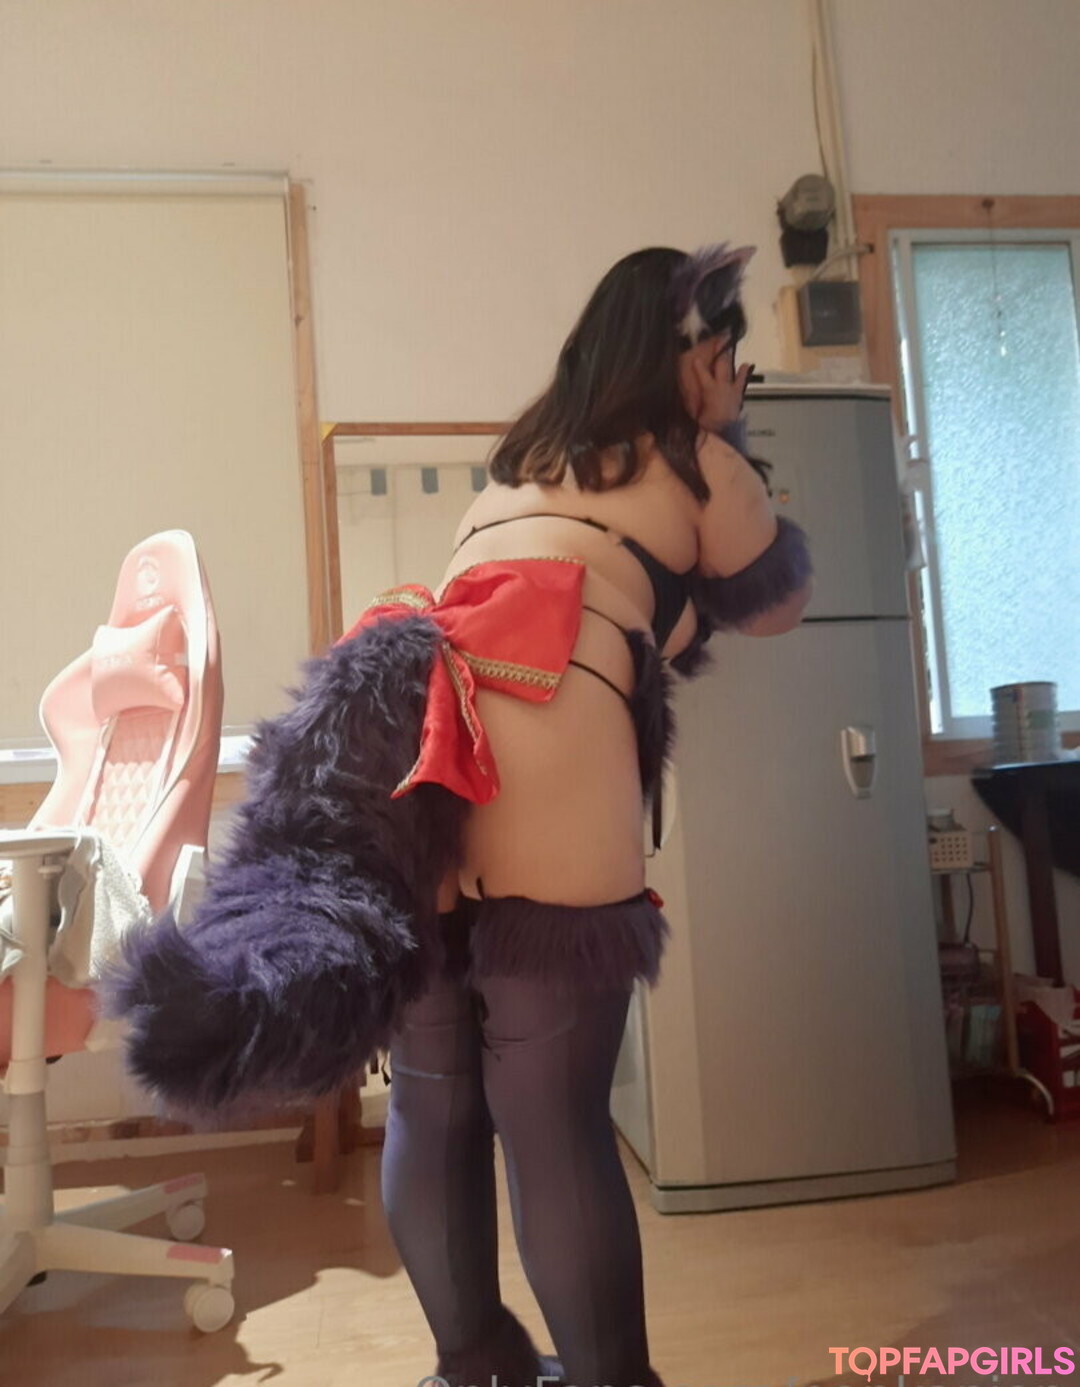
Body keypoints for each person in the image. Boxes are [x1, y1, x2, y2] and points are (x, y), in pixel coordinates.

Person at [105, 244, 812, 1387]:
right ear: (688, 352)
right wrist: (729, 435)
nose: (735, 374)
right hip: (554, 732)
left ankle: (472, 1367)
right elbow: (777, 599)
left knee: (433, 1098)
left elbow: (640, 608)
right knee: (554, 1117)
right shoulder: (696, 462)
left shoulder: (517, 468)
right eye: (727, 353)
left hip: (420, 736)